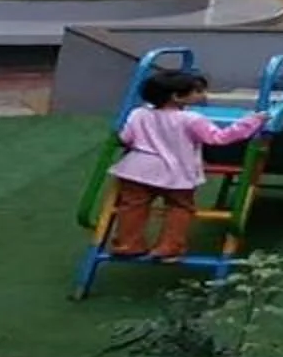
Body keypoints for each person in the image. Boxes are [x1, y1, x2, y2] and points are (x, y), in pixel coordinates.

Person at [104, 70, 263, 261]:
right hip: (175, 173)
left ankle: (127, 244)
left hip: (136, 170)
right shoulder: (191, 119)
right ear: (177, 96)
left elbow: (126, 138)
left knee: (132, 206)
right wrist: (252, 122)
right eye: (197, 91)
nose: (202, 95)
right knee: (180, 207)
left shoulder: (139, 113)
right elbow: (218, 138)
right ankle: (169, 247)